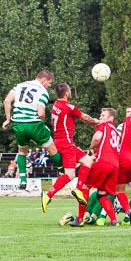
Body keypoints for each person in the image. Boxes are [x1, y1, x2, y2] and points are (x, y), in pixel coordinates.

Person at [1, 69, 64, 189]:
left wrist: (8, 119)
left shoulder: (20, 85)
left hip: (18, 124)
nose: (49, 86)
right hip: (33, 124)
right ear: (44, 79)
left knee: (22, 151)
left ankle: (23, 180)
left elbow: (7, 101)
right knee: (52, 149)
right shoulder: (42, 91)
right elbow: (41, 113)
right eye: (49, 83)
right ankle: (63, 172)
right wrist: (42, 122)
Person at [41, 83, 97, 213]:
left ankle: (78, 189)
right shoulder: (68, 107)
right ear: (67, 93)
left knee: (88, 161)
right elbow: (85, 118)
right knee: (69, 175)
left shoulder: (56, 105)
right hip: (66, 144)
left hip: (59, 142)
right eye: (70, 91)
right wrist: (97, 122)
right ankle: (48, 194)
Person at [71, 108, 121, 226]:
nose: (100, 117)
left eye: (103, 115)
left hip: (103, 163)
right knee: (102, 194)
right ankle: (114, 220)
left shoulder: (104, 125)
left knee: (85, 186)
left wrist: (91, 146)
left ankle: (80, 218)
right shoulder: (116, 132)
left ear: (111, 118)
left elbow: (97, 137)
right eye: (100, 115)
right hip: (115, 166)